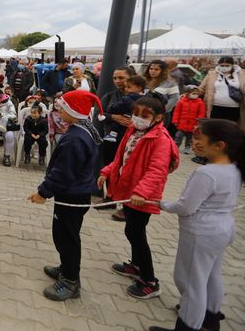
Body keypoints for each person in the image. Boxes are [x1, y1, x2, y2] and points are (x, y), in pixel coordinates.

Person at [148, 119, 243, 331]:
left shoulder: (206, 173)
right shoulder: (234, 168)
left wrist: (162, 204)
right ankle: (210, 319)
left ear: (220, 145)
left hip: (202, 233)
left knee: (191, 283)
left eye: (200, 139)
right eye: (194, 137)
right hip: (223, 230)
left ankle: (188, 326)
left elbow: (185, 207)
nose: (195, 142)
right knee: (210, 275)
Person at [98, 94, 179, 300]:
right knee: (132, 230)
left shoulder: (160, 139)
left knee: (135, 233)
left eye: (145, 115)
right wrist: (107, 171)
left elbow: (157, 170)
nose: (138, 118)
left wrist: (141, 192)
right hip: (129, 192)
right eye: (136, 113)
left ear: (159, 117)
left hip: (142, 196)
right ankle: (135, 266)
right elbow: (121, 157)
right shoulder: (133, 131)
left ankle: (150, 281)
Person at [28, 90, 102, 301]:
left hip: (72, 196)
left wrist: (43, 192)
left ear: (74, 111)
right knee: (65, 235)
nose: (59, 111)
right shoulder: (82, 129)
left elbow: (63, 172)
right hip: (75, 192)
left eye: (63, 107)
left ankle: (71, 281)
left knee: (66, 237)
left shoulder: (75, 139)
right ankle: (65, 267)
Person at [199, 56, 244, 128]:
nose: (224, 67)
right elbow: (201, 88)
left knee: (230, 129)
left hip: (234, 108)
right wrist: (189, 92)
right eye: (222, 65)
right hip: (215, 107)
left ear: (232, 65)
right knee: (215, 128)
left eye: (227, 65)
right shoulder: (212, 74)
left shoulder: (241, 74)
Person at [102, 75, 146, 144]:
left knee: (116, 126)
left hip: (125, 117)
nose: (126, 89)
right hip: (134, 121)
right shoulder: (145, 98)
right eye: (115, 78)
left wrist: (111, 108)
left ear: (139, 88)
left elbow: (119, 106)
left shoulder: (129, 97)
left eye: (128, 87)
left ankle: (112, 135)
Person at [144, 59, 180, 124]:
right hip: (145, 113)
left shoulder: (170, 83)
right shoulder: (145, 81)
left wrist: (162, 111)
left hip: (161, 115)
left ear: (163, 71)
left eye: (156, 69)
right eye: (151, 69)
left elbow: (174, 99)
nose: (153, 71)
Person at [172, 87, 206, 155]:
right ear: (188, 94)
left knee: (189, 137)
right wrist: (175, 121)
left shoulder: (200, 102)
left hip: (193, 125)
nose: (195, 95)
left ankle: (187, 147)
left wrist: (199, 123)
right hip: (182, 124)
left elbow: (201, 113)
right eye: (193, 93)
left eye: (197, 94)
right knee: (178, 136)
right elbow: (177, 112)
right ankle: (175, 146)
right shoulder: (181, 102)